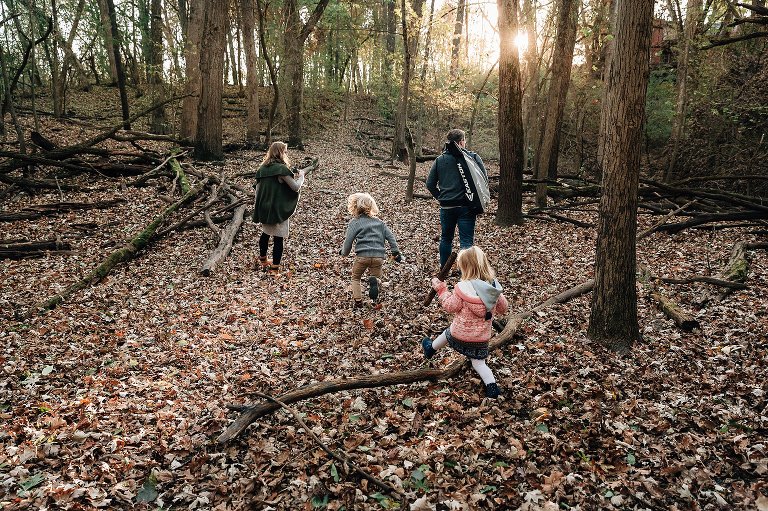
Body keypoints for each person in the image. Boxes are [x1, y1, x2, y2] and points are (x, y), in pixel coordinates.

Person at [421, 246, 508, 398]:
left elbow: (450, 306)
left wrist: (441, 290)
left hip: (459, 334)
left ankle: (430, 348)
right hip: (480, 338)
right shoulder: (492, 287)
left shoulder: (462, 287)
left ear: (466, 268)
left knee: (447, 334)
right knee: (479, 364)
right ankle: (492, 388)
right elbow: (503, 308)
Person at [426, 129, 488, 269]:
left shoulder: (440, 160)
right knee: (466, 241)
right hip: (467, 206)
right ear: (461, 142)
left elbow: (430, 184)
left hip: (447, 207)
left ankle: (444, 270)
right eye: (464, 141)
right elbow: (484, 180)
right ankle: (465, 273)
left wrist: (441, 198)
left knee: (446, 239)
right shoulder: (472, 158)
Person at [340, 193, 402, 308]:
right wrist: (395, 251)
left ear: (354, 206)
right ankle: (373, 298)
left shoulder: (355, 222)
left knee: (356, 277)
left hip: (362, 257)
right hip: (378, 257)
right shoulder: (380, 223)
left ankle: (358, 301)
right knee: (376, 278)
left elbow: (348, 242)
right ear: (372, 206)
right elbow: (391, 237)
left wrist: (344, 253)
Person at [252, 141, 305, 275]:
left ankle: (263, 260)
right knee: (278, 237)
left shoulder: (262, 169)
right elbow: (295, 187)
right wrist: (302, 177)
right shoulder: (281, 169)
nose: (286, 154)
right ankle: (275, 268)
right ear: (280, 152)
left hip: (264, 206)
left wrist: (259, 206)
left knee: (265, 233)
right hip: (277, 208)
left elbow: (258, 191)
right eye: (285, 151)